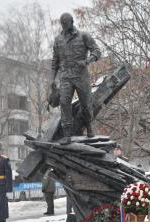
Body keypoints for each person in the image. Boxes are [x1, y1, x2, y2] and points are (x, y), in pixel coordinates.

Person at [51, 12, 101, 143]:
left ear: (72, 22)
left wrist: (88, 60)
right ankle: (67, 133)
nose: (64, 26)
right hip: (66, 77)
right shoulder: (58, 40)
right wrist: (53, 79)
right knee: (64, 103)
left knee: (86, 103)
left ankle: (89, 127)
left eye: (66, 24)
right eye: (62, 24)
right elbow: (55, 61)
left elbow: (97, 51)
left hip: (81, 76)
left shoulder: (83, 36)